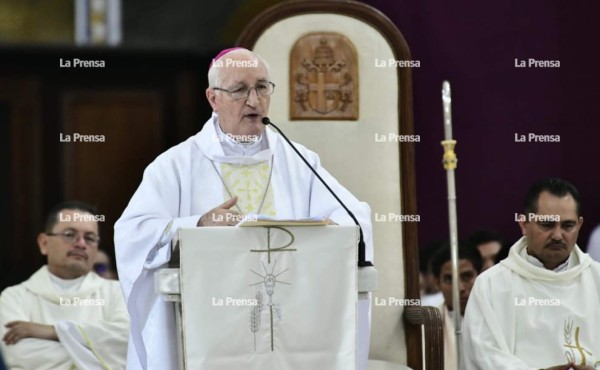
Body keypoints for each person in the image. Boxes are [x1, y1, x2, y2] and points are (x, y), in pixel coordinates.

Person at [114, 48, 373, 370]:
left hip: (289, 314)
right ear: (213, 99)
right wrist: (197, 223)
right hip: (206, 317)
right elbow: (131, 231)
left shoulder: (298, 159)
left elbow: (353, 217)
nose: (254, 100)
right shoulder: (176, 165)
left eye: (262, 87)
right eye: (239, 90)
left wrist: (326, 234)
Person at [462, 178, 600, 370]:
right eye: (547, 225)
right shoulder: (491, 285)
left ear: (580, 225)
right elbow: (482, 355)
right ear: (524, 224)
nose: (558, 235)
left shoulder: (596, 278)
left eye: (567, 225)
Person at [0, 201, 129, 369]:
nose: (81, 244)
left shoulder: (118, 293)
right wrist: (97, 350)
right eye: (69, 234)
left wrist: (53, 331)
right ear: (44, 243)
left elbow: (127, 343)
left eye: (90, 238)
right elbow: (20, 355)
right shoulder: (14, 297)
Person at [429, 243, 482, 370]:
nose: (460, 288)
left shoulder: (500, 316)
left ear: (481, 276)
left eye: (467, 276)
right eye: (449, 279)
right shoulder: (427, 327)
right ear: (437, 283)